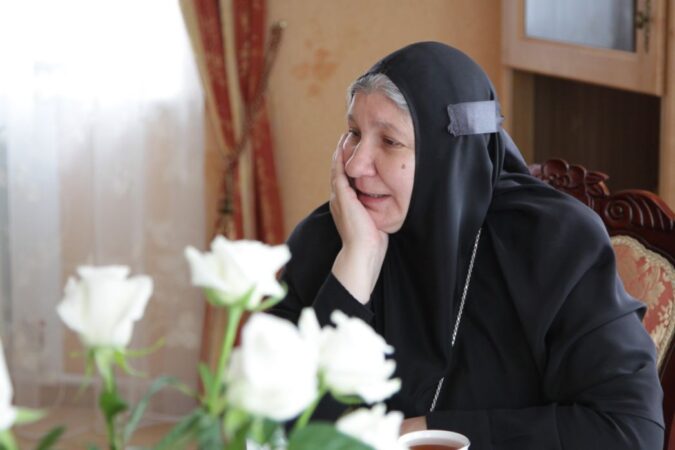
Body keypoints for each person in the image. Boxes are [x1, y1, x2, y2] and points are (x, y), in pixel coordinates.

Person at [271, 42, 664, 449]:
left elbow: (630, 431)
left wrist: (424, 432)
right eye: (354, 132)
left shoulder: (556, 243)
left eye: (389, 141)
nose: (355, 164)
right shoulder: (330, 236)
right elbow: (265, 424)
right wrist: (354, 267)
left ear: (450, 157)